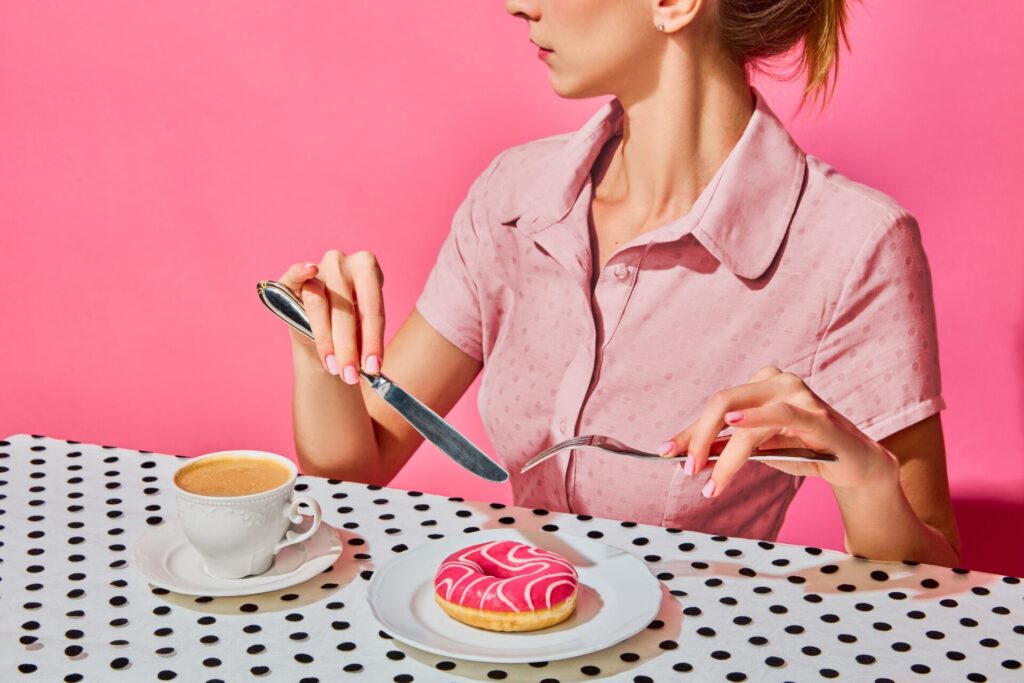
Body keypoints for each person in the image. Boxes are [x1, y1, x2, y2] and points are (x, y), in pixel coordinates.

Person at [276, 0, 961, 567]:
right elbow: (355, 473)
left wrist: (868, 482)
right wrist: (319, 347)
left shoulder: (853, 246)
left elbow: (935, 589)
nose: (517, 5)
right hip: (507, 638)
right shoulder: (513, 199)